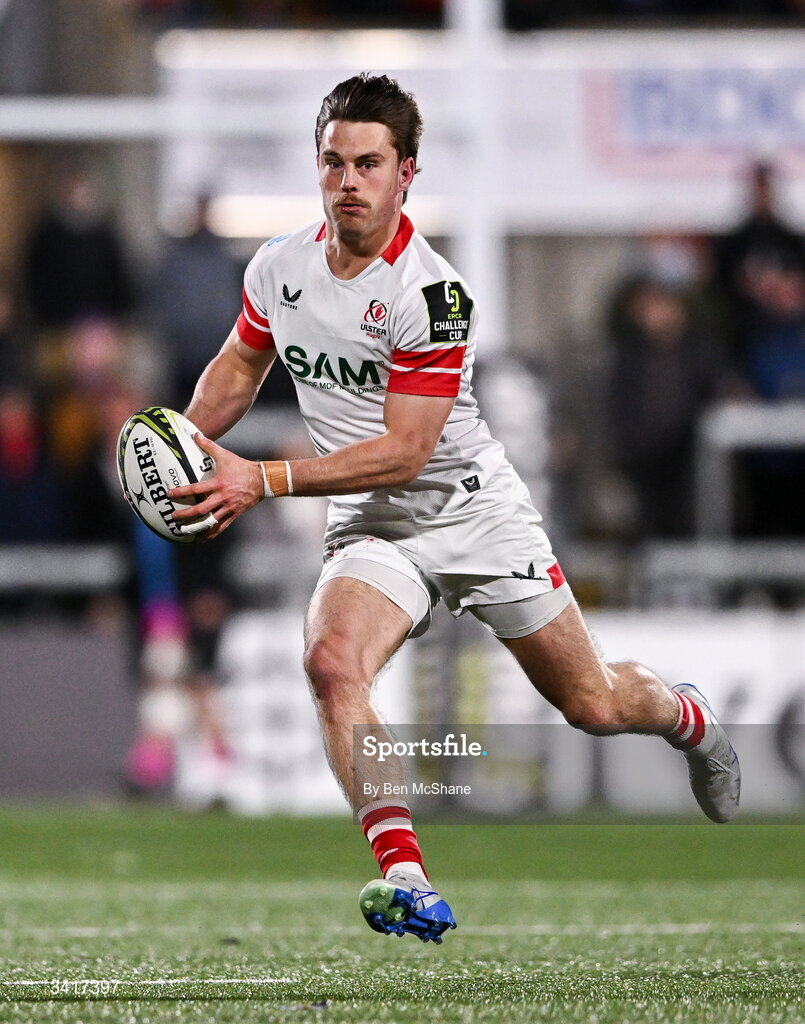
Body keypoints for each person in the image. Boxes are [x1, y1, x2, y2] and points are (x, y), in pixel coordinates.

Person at [167, 74, 741, 944]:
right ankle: (406, 875)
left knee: (591, 704)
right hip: (371, 523)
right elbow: (239, 372)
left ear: (406, 174)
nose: (347, 181)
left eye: (368, 163)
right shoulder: (277, 268)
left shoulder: (430, 296)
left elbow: (407, 450)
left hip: (471, 514)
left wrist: (263, 479)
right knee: (330, 661)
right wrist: (171, 444)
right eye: (333, 162)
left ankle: (687, 717)